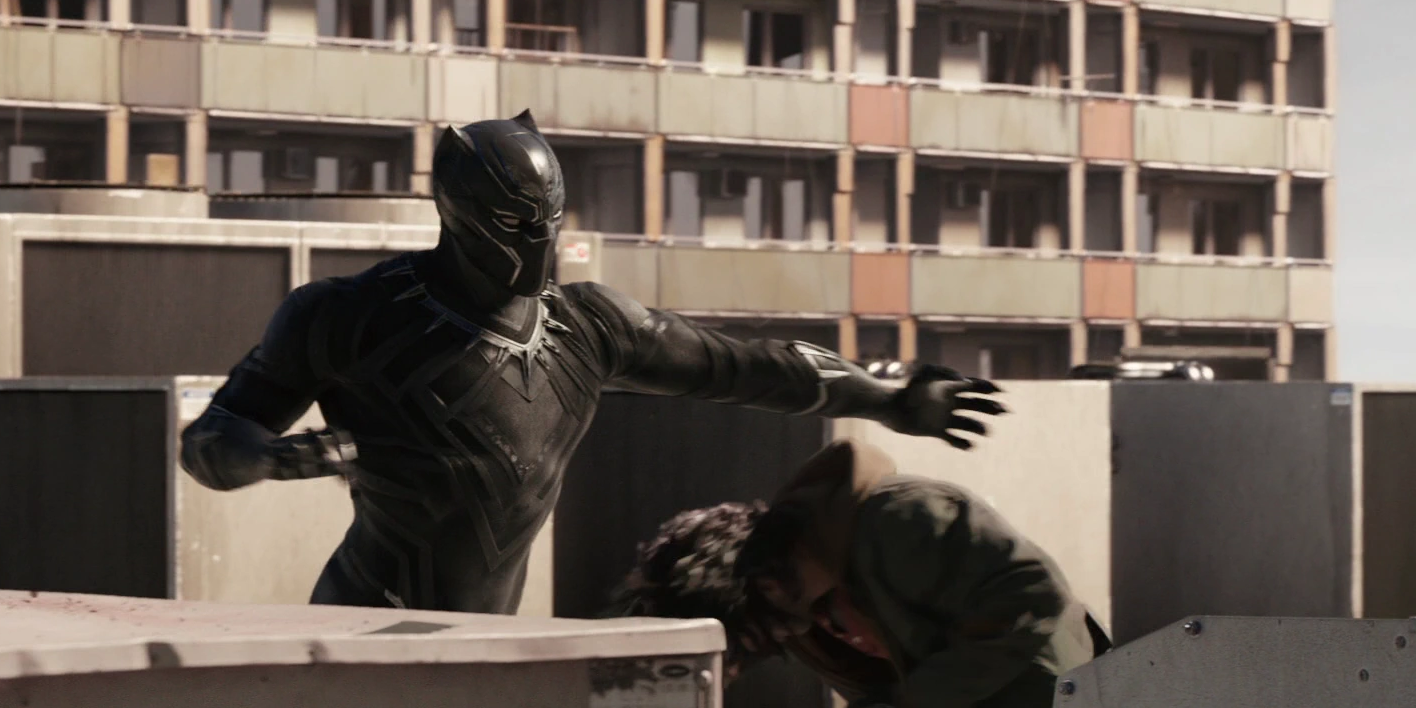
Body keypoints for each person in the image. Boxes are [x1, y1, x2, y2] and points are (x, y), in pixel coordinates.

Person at [178, 109, 1008, 615]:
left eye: (551, 220)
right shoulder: (345, 316)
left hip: (481, 645)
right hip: (358, 625)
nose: (542, 242)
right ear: (460, 216)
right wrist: (266, 457)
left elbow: (745, 365)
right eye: (519, 224)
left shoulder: (588, 327)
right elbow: (210, 438)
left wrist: (886, 395)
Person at [609, 438, 1112, 708]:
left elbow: (1031, 597)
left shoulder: (901, 517)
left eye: (747, 640)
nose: (765, 648)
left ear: (762, 584)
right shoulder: (802, 611)